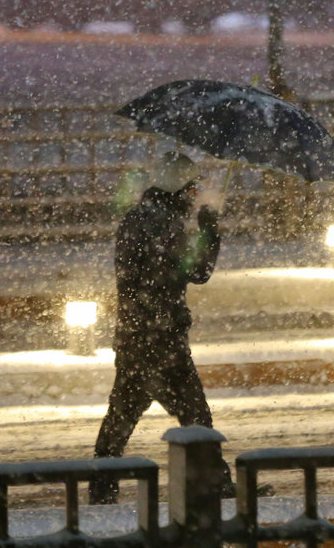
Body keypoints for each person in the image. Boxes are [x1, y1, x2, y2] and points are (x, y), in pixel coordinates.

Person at [89, 151, 231, 504]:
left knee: (121, 418)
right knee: (195, 417)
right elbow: (197, 271)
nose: (195, 195)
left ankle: (102, 488)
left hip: (137, 335)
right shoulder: (162, 225)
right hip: (162, 339)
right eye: (191, 189)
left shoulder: (140, 218)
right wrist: (209, 232)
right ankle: (217, 485)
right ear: (177, 187)